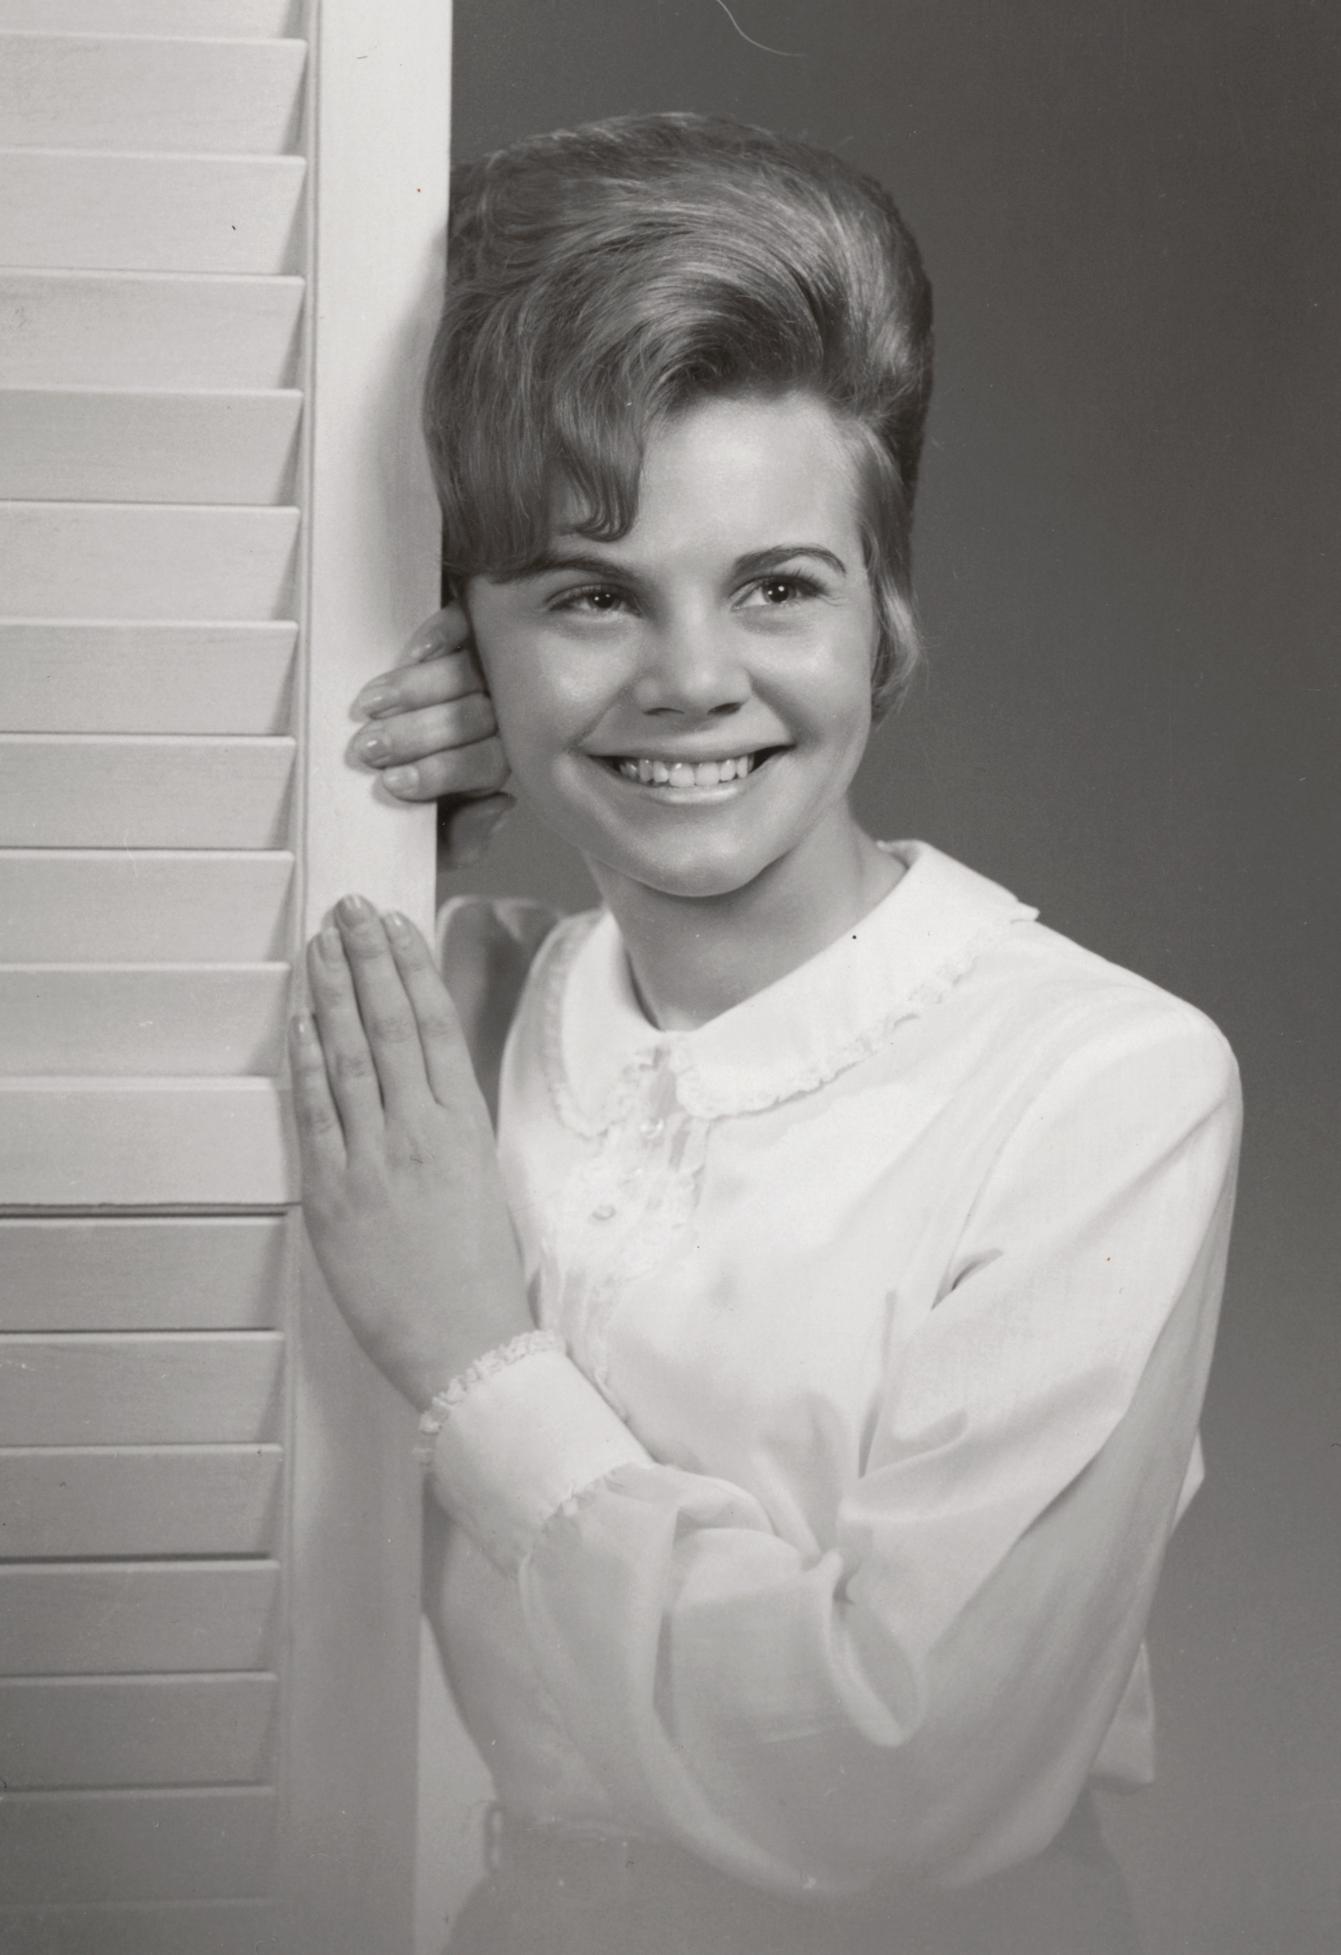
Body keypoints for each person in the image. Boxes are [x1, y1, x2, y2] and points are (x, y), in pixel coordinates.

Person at [289, 114, 1242, 1954]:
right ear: (465, 642)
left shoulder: (1100, 1080)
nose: (689, 679)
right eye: (589, 595)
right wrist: (385, 823)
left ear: (885, 619)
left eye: (776, 587)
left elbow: (903, 1775)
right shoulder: (458, 1004)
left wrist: (474, 1362)